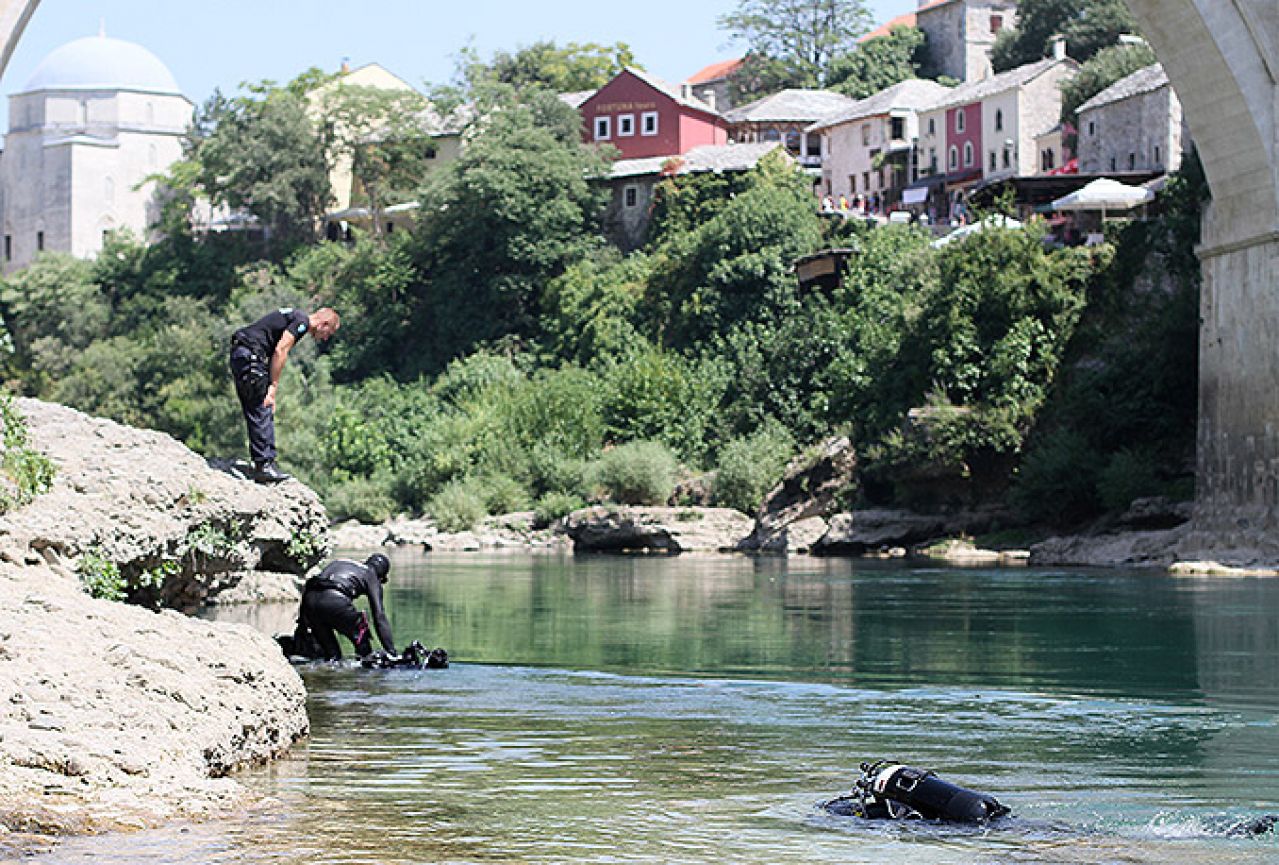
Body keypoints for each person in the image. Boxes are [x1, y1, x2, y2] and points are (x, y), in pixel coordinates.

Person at [229, 307, 340, 483]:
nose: (325, 338)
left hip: (242, 354)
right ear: (323, 324)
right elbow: (281, 350)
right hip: (251, 357)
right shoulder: (302, 322)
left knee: (254, 408)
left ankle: (262, 463)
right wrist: (273, 386)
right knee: (263, 406)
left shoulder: (294, 315)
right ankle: (264, 465)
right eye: (328, 333)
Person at [289, 554, 396, 661]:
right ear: (381, 575)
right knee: (361, 637)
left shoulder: (344, 562)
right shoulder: (370, 574)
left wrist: (303, 622)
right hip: (335, 600)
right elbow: (379, 616)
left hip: (310, 600)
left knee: (332, 656)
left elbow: (313, 583)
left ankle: (327, 670)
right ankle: (365, 670)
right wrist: (391, 652)